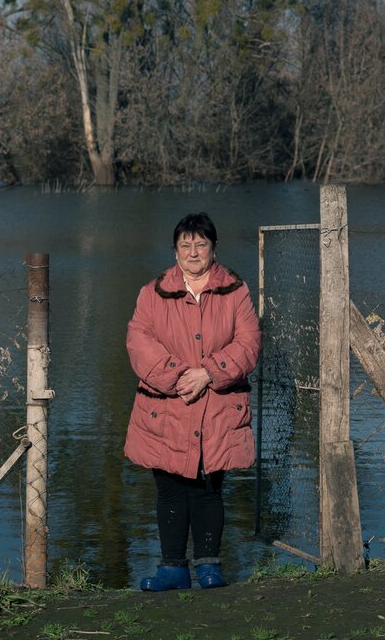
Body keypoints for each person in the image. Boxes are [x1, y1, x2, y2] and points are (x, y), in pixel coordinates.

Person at [124, 212, 262, 591]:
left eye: (200, 244)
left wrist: (209, 373)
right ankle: (173, 568)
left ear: (214, 248)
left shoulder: (236, 291)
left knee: (208, 488)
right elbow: (139, 342)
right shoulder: (151, 293)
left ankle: (209, 566)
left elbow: (249, 344)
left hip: (218, 406)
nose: (193, 251)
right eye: (185, 245)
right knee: (169, 488)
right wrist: (177, 376)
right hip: (165, 406)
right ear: (175, 250)